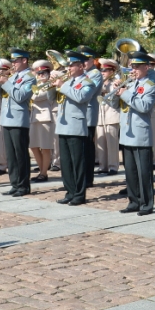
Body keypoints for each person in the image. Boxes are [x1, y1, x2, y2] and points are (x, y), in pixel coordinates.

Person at [53, 50, 98, 206]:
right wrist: (53, 86)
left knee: (77, 162)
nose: (68, 68)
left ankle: (79, 194)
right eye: (69, 65)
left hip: (76, 126)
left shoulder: (88, 82)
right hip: (63, 125)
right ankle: (69, 191)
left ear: (80, 66)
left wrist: (62, 85)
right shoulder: (68, 81)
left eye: (71, 65)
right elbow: (55, 99)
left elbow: (81, 97)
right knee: (66, 163)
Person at [118, 51, 155, 215]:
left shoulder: (151, 86)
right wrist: (117, 93)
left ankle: (147, 204)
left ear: (146, 67)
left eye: (136, 67)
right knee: (130, 171)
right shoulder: (129, 84)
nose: (132, 70)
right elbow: (121, 105)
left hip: (140, 133)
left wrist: (125, 94)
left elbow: (144, 107)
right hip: (127, 132)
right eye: (132, 66)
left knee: (144, 172)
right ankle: (133, 201)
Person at [0, 48, 36, 197]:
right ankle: (14, 183)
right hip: (7, 118)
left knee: (20, 154)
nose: (13, 63)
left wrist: (6, 83)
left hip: (19, 119)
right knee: (11, 155)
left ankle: (23, 185)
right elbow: (1, 94)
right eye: (12, 61)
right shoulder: (13, 77)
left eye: (15, 60)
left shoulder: (30, 78)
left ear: (24, 60)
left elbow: (20, 96)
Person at [77, 45, 102, 188]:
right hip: (78, 114)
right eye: (82, 59)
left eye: (87, 59)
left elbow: (86, 93)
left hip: (88, 114)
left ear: (93, 60)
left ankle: (88, 177)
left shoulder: (95, 74)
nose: (84, 62)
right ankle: (81, 176)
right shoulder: (82, 74)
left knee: (87, 147)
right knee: (80, 147)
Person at [28, 59, 56, 183]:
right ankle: (41, 170)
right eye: (38, 74)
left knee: (45, 148)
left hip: (45, 118)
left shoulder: (50, 86)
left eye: (43, 73)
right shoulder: (36, 85)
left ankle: (44, 173)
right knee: (33, 146)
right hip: (34, 118)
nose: (40, 76)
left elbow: (36, 97)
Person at [95, 58, 121, 175]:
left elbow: (113, 97)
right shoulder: (98, 82)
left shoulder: (116, 81)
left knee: (112, 143)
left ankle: (113, 166)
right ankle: (103, 165)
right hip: (100, 115)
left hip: (112, 114)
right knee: (100, 141)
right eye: (102, 70)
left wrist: (107, 85)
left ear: (112, 71)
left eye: (105, 70)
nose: (103, 72)